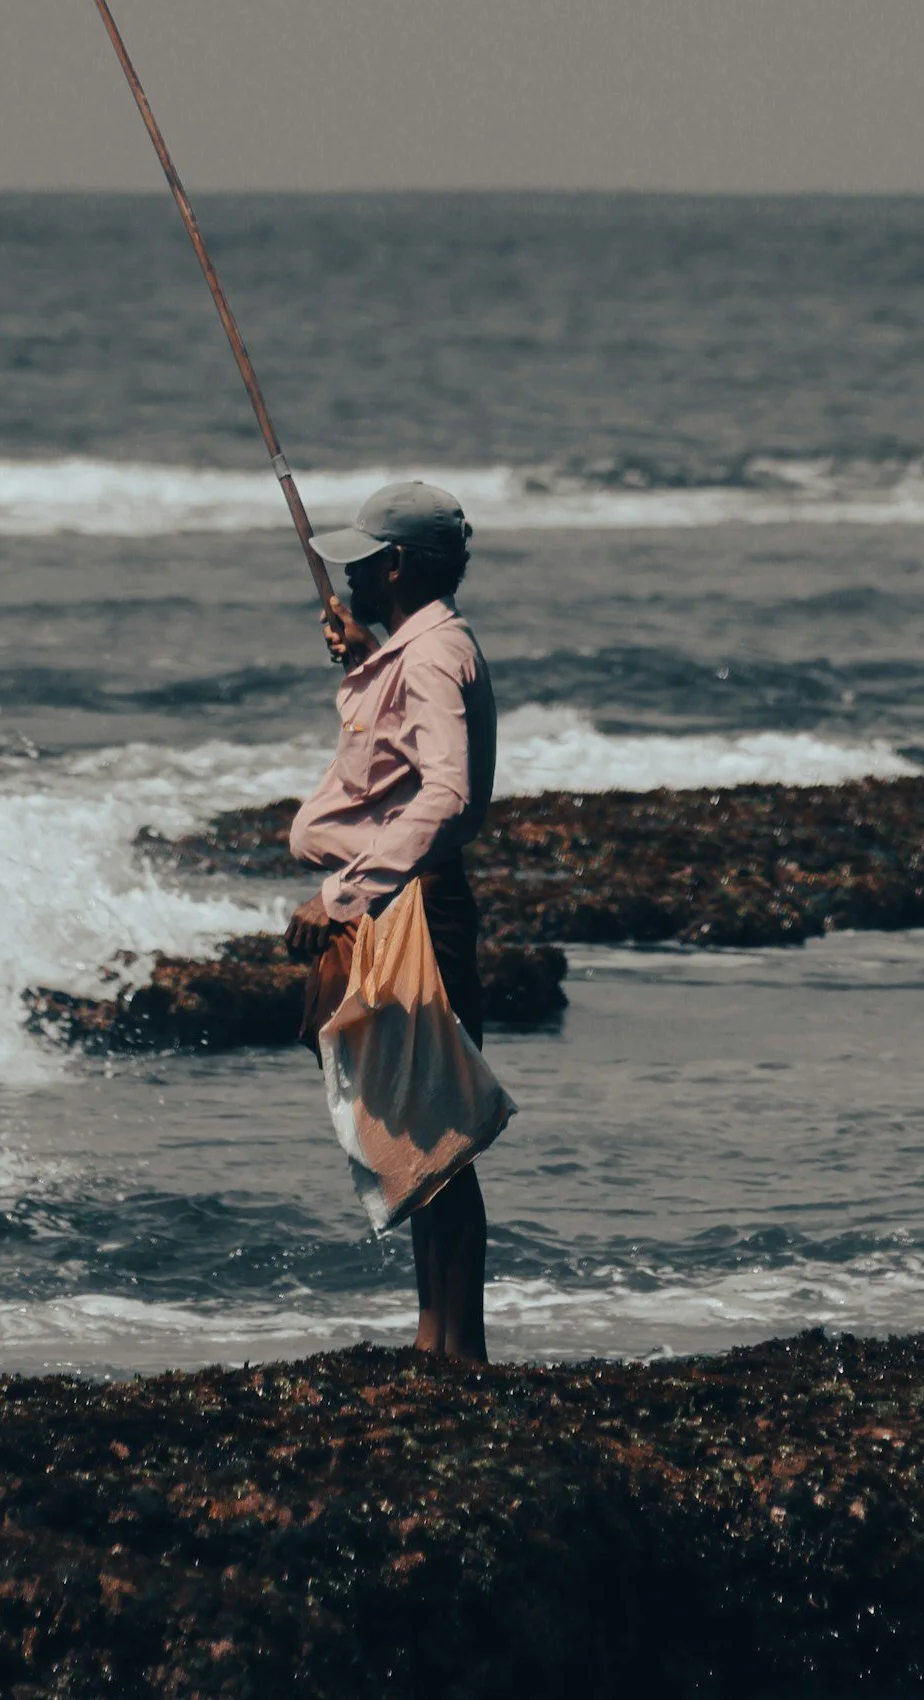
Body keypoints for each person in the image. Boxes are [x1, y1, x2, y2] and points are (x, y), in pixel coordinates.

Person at [284, 480, 498, 1361]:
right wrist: (362, 657)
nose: (352, 576)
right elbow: (398, 763)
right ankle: (436, 1339)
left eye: (364, 564)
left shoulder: (432, 658)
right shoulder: (417, 651)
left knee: (439, 1136)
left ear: (398, 566)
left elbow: (444, 793)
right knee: (419, 1131)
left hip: (414, 908)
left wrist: (344, 893)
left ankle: (456, 1347)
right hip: (403, 901)